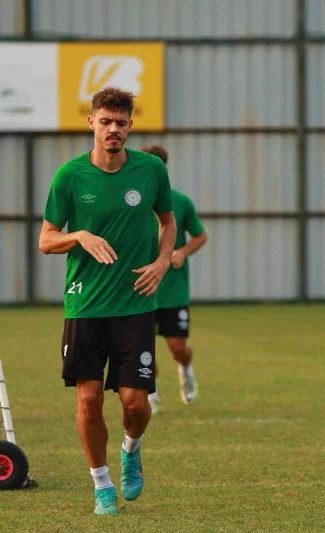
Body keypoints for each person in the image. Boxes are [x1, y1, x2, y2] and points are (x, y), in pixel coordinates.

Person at [38, 87, 177, 515]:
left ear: (130, 126)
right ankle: (102, 486)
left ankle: (131, 448)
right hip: (85, 307)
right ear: (91, 123)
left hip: (135, 305)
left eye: (120, 123)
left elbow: (168, 222)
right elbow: (46, 240)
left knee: (135, 403)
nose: (113, 129)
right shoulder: (70, 176)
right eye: (105, 122)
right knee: (89, 399)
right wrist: (79, 235)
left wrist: (162, 261)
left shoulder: (151, 170)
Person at [140, 145, 208, 413]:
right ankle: (151, 392)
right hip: (142, 288)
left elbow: (200, 236)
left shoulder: (180, 202)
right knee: (143, 346)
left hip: (173, 289)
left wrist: (182, 252)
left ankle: (186, 368)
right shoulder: (131, 200)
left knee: (177, 347)